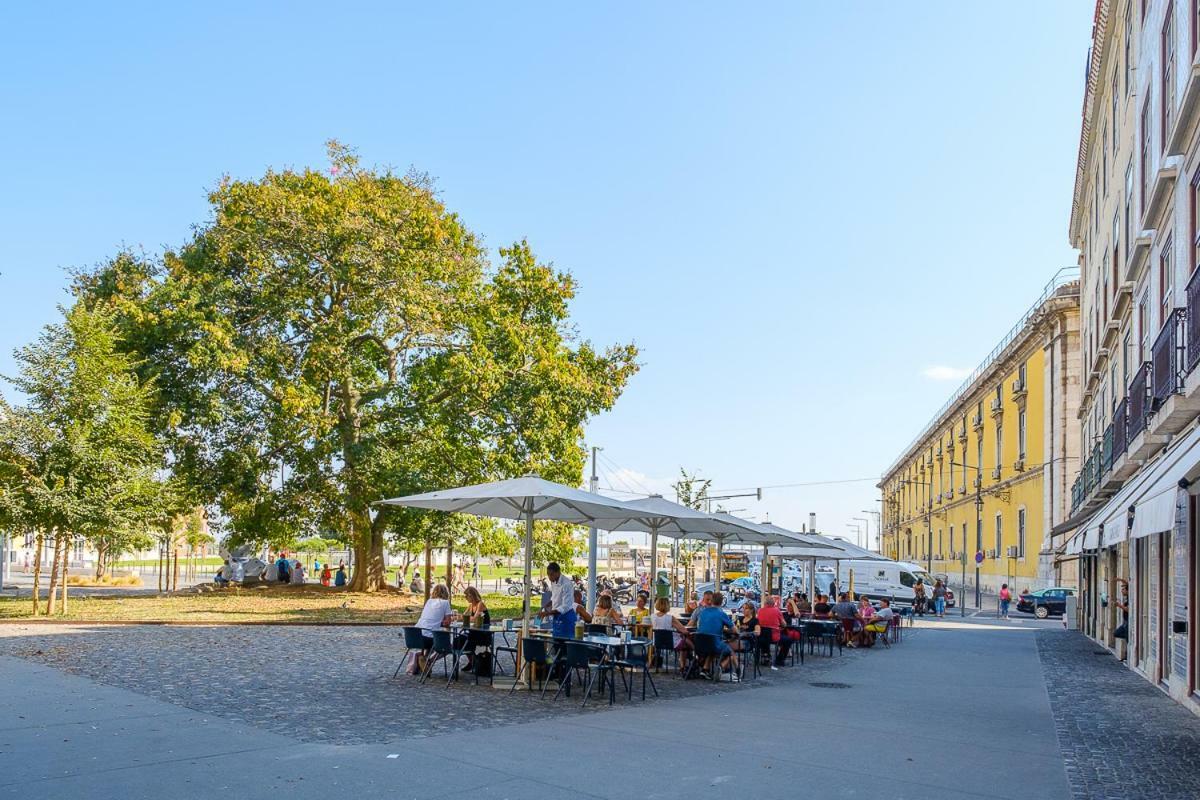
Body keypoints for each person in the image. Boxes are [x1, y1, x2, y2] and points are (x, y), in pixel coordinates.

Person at [410, 584, 455, 674]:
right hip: (430, 638)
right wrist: (442, 622)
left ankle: (425, 664)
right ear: (446, 593)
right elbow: (448, 622)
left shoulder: (429, 601)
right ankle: (429, 660)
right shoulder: (445, 603)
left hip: (418, 637)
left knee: (431, 640)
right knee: (448, 647)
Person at [693, 592, 738, 681]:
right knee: (730, 652)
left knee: (712, 648)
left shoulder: (703, 612)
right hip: (713, 644)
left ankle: (705, 669)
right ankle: (722, 667)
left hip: (699, 644)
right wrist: (726, 630)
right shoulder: (721, 614)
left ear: (712, 600)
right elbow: (735, 630)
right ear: (721, 603)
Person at [536, 561, 577, 638]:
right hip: (556, 617)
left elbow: (565, 606)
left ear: (558, 572)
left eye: (551, 574)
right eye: (548, 574)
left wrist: (548, 613)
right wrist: (545, 606)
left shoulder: (567, 584)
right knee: (556, 643)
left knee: (566, 644)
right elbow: (554, 598)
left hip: (567, 618)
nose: (549, 577)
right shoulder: (553, 582)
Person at [652, 596, 693, 672]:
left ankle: (688, 662)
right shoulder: (670, 618)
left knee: (684, 642)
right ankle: (687, 662)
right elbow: (683, 630)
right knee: (685, 643)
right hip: (670, 642)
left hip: (657, 642)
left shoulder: (652, 616)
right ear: (668, 606)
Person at [756, 595, 790, 669]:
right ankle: (780, 660)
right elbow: (784, 624)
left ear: (765, 603)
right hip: (774, 636)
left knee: (765, 637)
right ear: (773, 603)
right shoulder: (776, 611)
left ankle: (766, 656)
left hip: (761, 636)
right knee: (788, 640)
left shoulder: (760, 611)